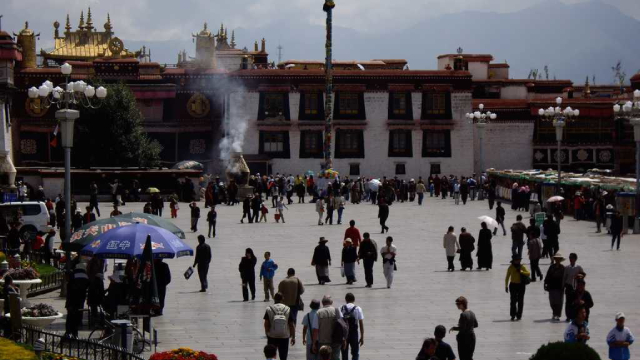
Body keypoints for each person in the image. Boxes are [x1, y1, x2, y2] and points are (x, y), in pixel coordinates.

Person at [264, 293, 296, 360]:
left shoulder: (269, 309)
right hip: (284, 336)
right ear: (282, 299)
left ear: (274, 299)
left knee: (270, 355)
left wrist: (267, 333)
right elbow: (291, 325)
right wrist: (293, 337)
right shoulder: (288, 309)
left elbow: (266, 324)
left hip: (272, 336)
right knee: (283, 356)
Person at [314, 295, 344, 360]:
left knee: (324, 357)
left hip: (323, 341)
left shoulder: (318, 312)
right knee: (336, 357)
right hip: (336, 340)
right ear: (332, 302)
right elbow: (343, 326)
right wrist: (344, 339)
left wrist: (314, 343)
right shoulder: (337, 310)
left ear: (322, 303)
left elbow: (316, 329)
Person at [65, 262, 90, 338]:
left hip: (71, 298)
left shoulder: (73, 275)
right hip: (80, 299)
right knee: (77, 315)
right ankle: (75, 333)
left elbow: (69, 286)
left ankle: (68, 332)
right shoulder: (85, 276)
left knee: (70, 316)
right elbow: (87, 286)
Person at [505, 255, 530, 321]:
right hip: (513, 285)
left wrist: (521, 272)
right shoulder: (510, 267)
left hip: (521, 285)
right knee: (513, 301)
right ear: (513, 260)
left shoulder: (522, 267)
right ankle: (513, 315)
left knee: (520, 301)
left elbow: (528, 273)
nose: (518, 261)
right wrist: (506, 286)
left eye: (519, 260)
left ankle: (519, 315)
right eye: (516, 260)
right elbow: (507, 277)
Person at [340, 293, 364, 360]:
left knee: (344, 352)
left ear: (346, 300)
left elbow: (339, 322)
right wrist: (362, 336)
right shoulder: (358, 308)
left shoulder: (341, 308)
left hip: (344, 334)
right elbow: (361, 323)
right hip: (354, 333)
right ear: (354, 300)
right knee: (355, 352)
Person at [544, 252, 566, 321]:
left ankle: (557, 314)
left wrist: (564, 285)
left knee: (559, 302)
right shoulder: (551, 267)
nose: (557, 260)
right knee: (552, 301)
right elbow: (548, 275)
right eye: (556, 259)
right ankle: (554, 312)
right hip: (552, 287)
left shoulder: (563, 268)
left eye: (559, 259)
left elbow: (565, 277)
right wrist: (545, 283)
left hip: (559, 287)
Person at [563, 252, 584, 321]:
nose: (570, 259)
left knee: (574, 301)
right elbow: (564, 277)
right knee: (568, 302)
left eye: (571, 258)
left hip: (576, 287)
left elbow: (583, 274)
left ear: (575, 259)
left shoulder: (578, 267)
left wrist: (579, 277)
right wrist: (563, 286)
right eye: (569, 258)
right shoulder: (567, 267)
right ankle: (568, 316)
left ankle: (575, 315)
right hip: (569, 287)